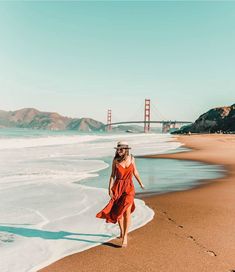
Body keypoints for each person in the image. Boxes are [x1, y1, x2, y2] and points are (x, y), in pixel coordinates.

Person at [96, 141, 145, 247]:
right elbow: (112, 175)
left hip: (129, 188)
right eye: (118, 149)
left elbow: (135, 171)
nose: (119, 151)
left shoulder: (132, 158)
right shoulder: (115, 160)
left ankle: (125, 237)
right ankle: (122, 232)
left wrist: (140, 182)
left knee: (127, 211)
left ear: (126, 150)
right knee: (119, 212)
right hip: (118, 188)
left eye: (121, 149)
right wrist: (109, 188)